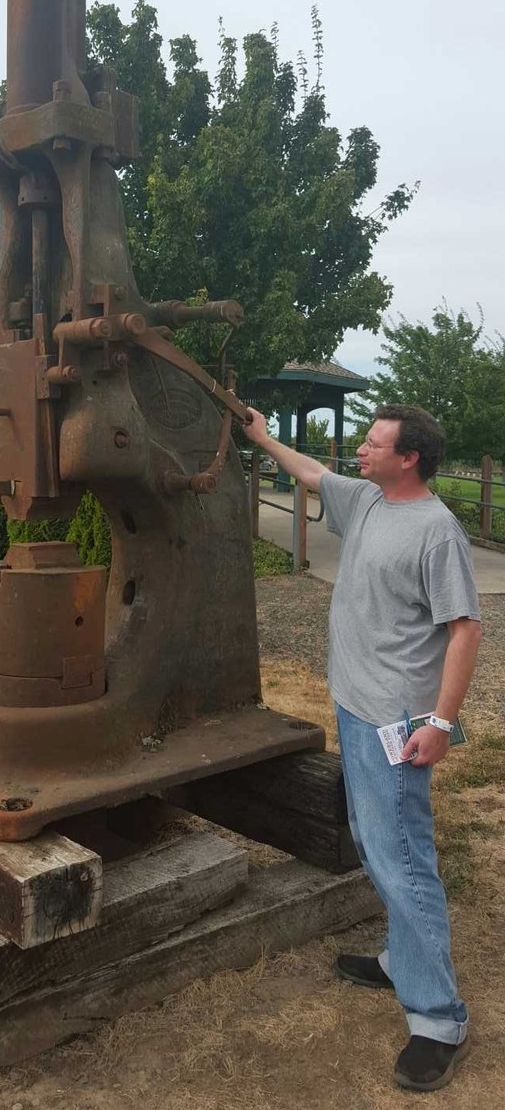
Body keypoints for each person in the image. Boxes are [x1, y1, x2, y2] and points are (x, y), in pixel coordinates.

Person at [244, 403, 481, 1093]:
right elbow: (312, 474)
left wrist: (440, 722)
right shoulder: (370, 501)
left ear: (409, 458)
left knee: (402, 858)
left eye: (375, 443)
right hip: (354, 705)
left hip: (397, 723)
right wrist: (263, 437)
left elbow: (465, 630)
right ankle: (400, 961)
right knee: (377, 843)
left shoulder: (436, 531)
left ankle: (439, 1019)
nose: (360, 450)